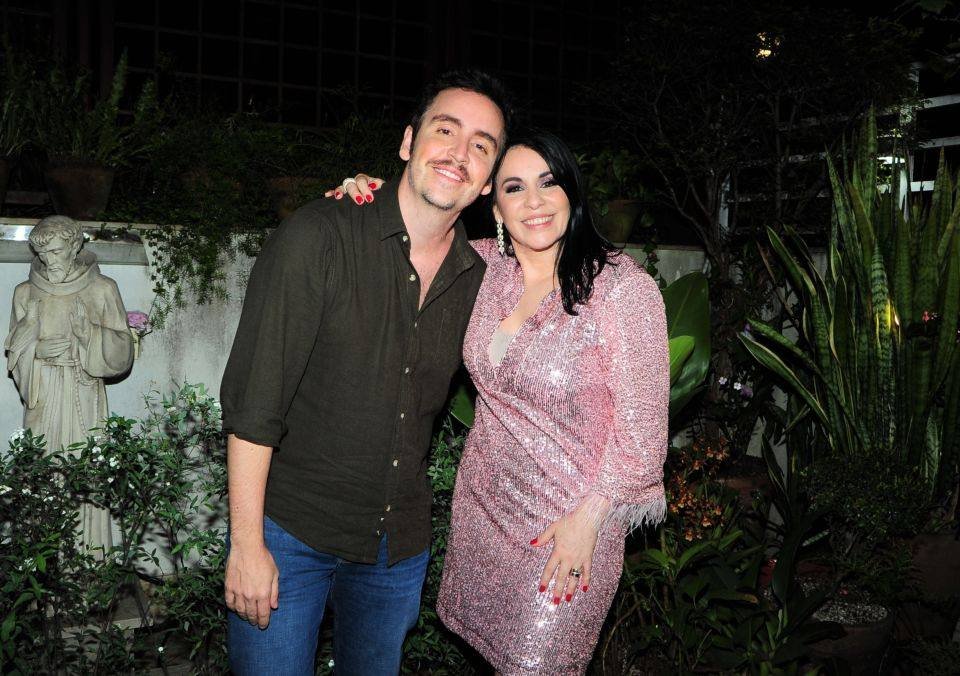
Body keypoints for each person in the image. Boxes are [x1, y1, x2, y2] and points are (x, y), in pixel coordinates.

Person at [333, 130, 669, 673]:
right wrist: (368, 196)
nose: (534, 202)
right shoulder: (481, 266)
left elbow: (644, 442)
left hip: (571, 528)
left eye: (548, 183)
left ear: (572, 193)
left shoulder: (621, 290)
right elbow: (410, 233)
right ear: (495, 207)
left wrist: (588, 522)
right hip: (485, 514)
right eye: (515, 188)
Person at [218, 70, 513, 676]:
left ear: (487, 182)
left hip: (395, 550)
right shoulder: (319, 236)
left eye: (481, 145)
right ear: (408, 142)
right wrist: (246, 543)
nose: (458, 153)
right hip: (291, 535)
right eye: (445, 130)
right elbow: (255, 404)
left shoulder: (482, 279)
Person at [5, 215, 135, 551]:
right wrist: (35, 350)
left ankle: (88, 562)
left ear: (75, 246)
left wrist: (88, 335)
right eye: (42, 253)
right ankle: (43, 565)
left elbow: (123, 349)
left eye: (57, 251)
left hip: (83, 393)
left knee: (85, 472)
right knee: (43, 473)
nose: (49, 261)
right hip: (43, 395)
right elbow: (14, 351)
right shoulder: (25, 293)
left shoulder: (102, 289)